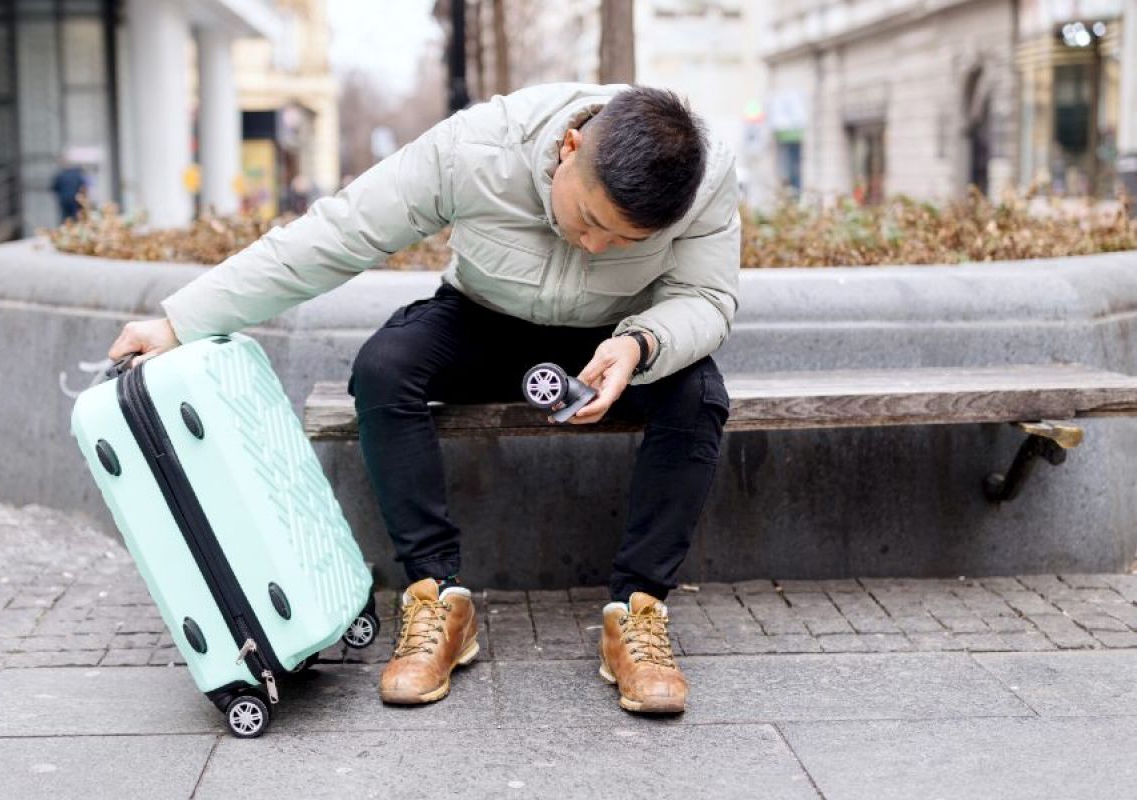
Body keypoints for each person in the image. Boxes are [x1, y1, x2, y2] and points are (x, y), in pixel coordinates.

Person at [108, 83, 740, 714]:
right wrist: (181, 322)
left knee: (699, 393)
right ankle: (437, 597)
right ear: (571, 148)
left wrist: (641, 344)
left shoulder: (703, 179)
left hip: (613, 343)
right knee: (384, 369)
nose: (597, 245)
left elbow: (707, 298)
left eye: (626, 241)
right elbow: (338, 233)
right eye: (593, 220)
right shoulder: (476, 146)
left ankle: (638, 614)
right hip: (482, 318)